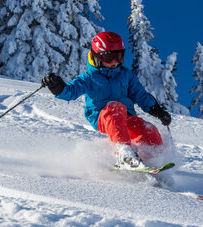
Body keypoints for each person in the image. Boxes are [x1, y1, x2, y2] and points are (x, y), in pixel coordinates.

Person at [42, 32, 171, 169]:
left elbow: (140, 95)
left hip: (127, 117)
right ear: (97, 56)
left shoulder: (126, 75)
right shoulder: (89, 77)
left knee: (149, 129)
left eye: (119, 56)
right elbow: (70, 92)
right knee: (114, 107)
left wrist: (156, 110)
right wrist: (58, 88)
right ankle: (124, 154)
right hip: (103, 117)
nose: (115, 61)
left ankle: (154, 160)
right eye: (109, 57)